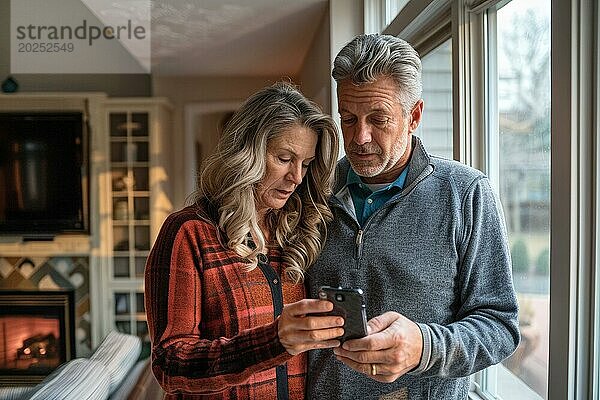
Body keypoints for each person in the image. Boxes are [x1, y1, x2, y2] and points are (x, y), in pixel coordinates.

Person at [305, 34, 520, 399]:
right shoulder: (314, 190)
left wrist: (424, 346)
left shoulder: (466, 193)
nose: (359, 137)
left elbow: (500, 327)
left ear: (414, 116)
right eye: (348, 118)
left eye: (378, 118)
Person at [145, 82, 345, 399]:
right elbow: (169, 364)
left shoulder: (298, 232)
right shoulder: (188, 232)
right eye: (283, 158)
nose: (296, 177)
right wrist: (274, 341)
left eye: (305, 164)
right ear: (247, 152)